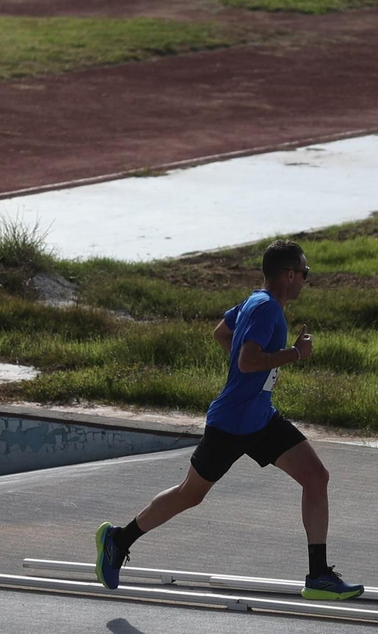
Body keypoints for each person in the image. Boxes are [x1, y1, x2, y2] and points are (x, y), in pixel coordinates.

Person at [94, 239, 363, 600]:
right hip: (232, 423)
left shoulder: (255, 301)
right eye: (304, 272)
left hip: (261, 419)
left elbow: (221, 333)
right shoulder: (267, 309)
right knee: (190, 494)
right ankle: (118, 539)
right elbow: (247, 361)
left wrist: (252, 367)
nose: (305, 279)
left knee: (316, 477)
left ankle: (318, 576)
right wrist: (295, 353)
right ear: (288, 274)